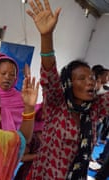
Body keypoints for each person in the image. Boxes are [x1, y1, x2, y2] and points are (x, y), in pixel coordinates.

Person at [26, 0, 109, 179]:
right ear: (69, 84)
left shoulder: (95, 109)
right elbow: (49, 73)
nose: (90, 82)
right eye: (82, 78)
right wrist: (46, 36)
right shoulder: (57, 104)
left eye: (92, 78)